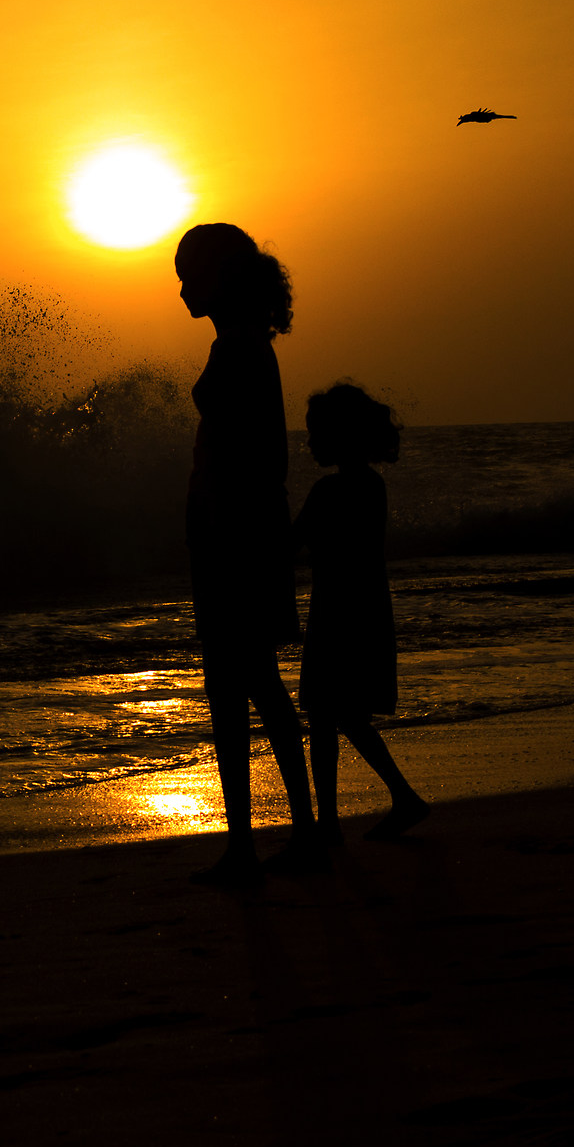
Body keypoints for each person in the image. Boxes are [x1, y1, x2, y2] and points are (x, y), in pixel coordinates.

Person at [175, 222, 321, 887]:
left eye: (189, 274)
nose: (180, 289)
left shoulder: (237, 350)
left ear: (219, 278)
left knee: (238, 691)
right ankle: (294, 831)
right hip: (241, 531)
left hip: (234, 536)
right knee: (252, 685)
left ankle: (254, 841)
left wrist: (220, 522)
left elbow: (250, 459)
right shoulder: (248, 345)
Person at [295, 382, 429, 841]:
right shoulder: (372, 485)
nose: (308, 442)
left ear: (339, 436)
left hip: (336, 612)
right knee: (349, 715)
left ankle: (330, 823)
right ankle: (400, 798)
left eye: (315, 434)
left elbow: (291, 545)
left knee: (322, 715)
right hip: (369, 608)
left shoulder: (327, 490)